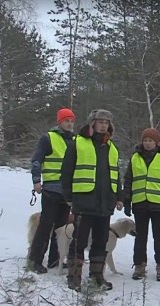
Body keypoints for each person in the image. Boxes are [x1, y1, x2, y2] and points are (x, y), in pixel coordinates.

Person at [60, 109, 124, 291]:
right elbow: (66, 172)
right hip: (84, 201)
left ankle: (97, 277)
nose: (103, 125)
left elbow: (115, 174)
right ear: (92, 123)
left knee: (100, 241)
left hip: (105, 203)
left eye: (106, 122)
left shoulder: (111, 147)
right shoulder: (77, 143)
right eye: (100, 121)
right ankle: (74, 277)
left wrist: (119, 196)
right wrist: (68, 197)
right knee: (79, 240)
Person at [123, 128, 160, 282]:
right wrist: (127, 200)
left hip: (159, 204)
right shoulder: (135, 158)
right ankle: (139, 265)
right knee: (140, 237)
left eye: (150, 140)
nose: (147, 143)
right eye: (145, 140)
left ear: (156, 142)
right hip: (140, 203)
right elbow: (128, 180)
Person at [27, 108, 76, 274]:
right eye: (66, 120)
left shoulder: (75, 140)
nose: (69, 124)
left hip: (68, 190)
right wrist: (36, 181)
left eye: (71, 121)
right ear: (59, 122)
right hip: (51, 189)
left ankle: (55, 260)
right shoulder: (48, 138)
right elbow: (36, 160)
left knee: (61, 227)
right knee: (46, 225)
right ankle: (35, 261)